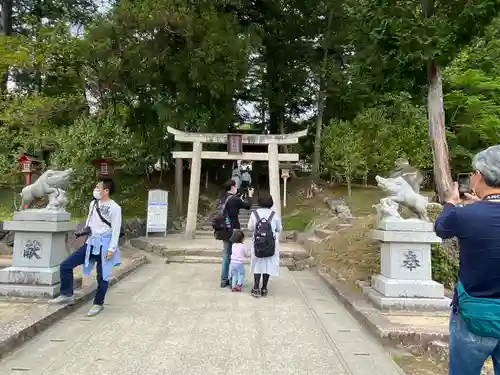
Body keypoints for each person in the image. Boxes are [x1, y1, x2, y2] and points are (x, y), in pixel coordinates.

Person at [434, 145, 500, 375]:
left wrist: (451, 202)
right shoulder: (471, 212)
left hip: (473, 314)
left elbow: (441, 228)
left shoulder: (464, 215)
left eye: (473, 173)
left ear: (480, 176)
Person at [48, 179, 122, 317]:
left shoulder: (115, 208)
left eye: (98, 187)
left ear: (106, 191)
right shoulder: (93, 204)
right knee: (66, 265)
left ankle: (98, 303)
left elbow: (116, 229)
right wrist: (85, 231)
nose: (95, 188)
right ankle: (67, 294)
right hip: (91, 243)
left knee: (102, 276)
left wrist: (111, 249)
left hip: (105, 245)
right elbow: (90, 221)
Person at [219, 180, 254, 288]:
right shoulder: (234, 199)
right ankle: (234, 280)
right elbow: (248, 206)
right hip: (234, 229)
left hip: (224, 229)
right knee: (236, 255)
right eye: (235, 186)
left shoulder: (223, 198)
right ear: (232, 187)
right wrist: (250, 195)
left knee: (226, 255)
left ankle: (224, 280)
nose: (236, 188)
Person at [248, 193, 282, 298]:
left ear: (259, 202)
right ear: (271, 202)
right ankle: (264, 289)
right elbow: (279, 229)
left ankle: (256, 288)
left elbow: (250, 227)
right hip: (271, 244)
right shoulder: (274, 214)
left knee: (257, 264)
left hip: (258, 243)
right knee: (268, 265)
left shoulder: (255, 214)